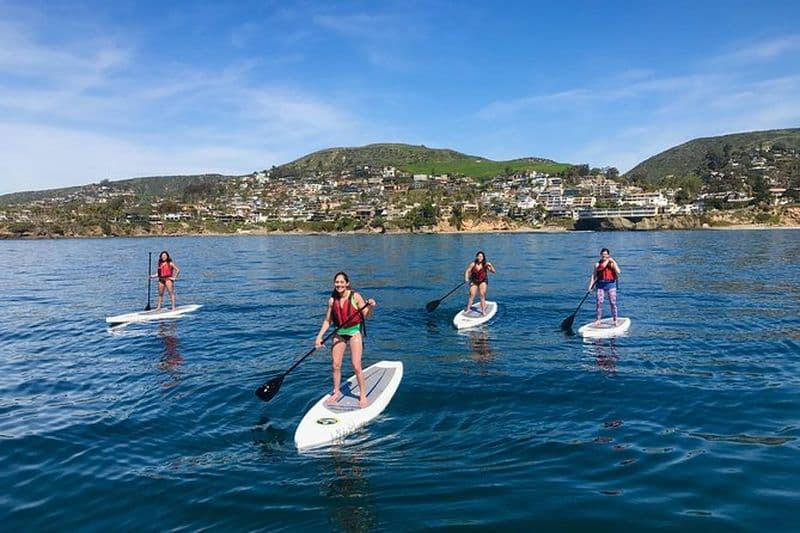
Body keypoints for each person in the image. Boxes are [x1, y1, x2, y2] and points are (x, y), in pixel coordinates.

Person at [315, 272, 376, 408]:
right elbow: (327, 321)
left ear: (347, 283)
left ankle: (363, 395)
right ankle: (336, 392)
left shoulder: (355, 296)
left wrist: (370, 306)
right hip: (339, 333)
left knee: (356, 365)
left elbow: (366, 315)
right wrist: (319, 337)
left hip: (354, 332)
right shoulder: (332, 300)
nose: (339, 284)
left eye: (342, 282)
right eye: (337, 282)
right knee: (335, 365)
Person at [588, 247, 621, 326]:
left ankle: (615, 319)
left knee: (613, 303)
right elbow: (594, 276)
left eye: (606, 254)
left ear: (608, 255)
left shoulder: (611, 263)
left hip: (611, 284)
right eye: (603, 255)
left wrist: (613, 261)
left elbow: (619, 271)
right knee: (599, 302)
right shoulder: (597, 264)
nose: (604, 256)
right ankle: (598, 320)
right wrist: (590, 286)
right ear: (601, 255)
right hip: (600, 285)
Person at [464, 251, 496, 316]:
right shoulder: (473, 264)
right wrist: (466, 278)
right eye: (479, 256)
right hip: (474, 281)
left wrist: (491, 265)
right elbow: (467, 271)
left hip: (483, 281)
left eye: (481, 256)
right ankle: (468, 309)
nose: (480, 257)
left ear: (483, 257)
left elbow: (493, 271)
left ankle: (483, 311)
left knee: (482, 294)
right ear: (477, 257)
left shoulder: (485, 264)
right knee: (471, 295)